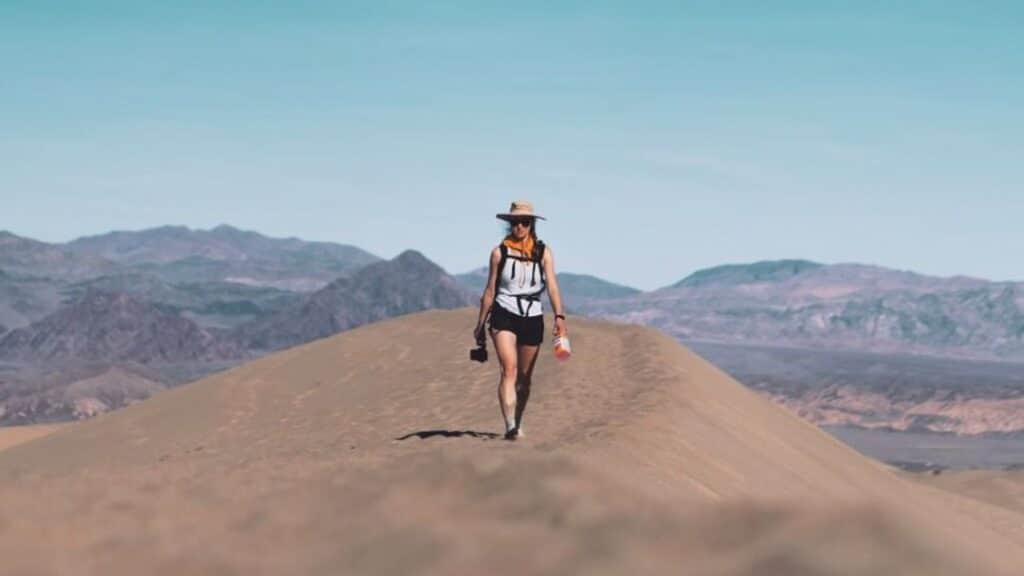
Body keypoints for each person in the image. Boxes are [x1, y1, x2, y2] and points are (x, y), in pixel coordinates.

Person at [474, 201, 568, 441]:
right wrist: (480, 325)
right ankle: (510, 425)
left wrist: (559, 316)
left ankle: (518, 420)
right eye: (515, 222)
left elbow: (553, 286)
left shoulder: (543, 252)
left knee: (524, 380)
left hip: (533, 314)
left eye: (524, 222)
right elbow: (489, 290)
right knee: (509, 370)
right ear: (509, 224)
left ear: (531, 224)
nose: (519, 226)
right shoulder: (499, 252)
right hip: (504, 312)